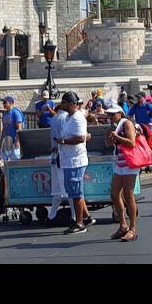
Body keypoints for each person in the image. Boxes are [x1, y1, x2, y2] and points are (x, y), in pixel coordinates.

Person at [54, 91, 92, 234]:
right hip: (69, 159)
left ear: (70, 104)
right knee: (74, 192)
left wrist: (64, 141)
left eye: (64, 103)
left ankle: (79, 222)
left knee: (75, 193)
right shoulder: (69, 117)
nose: (61, 106)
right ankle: (86, 217)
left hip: (75, 160)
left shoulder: (77, 118)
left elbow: (81, 138)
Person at [107, 104, 141, 241]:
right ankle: (123, 225)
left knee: (128, 195)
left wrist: (117, 137)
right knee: (114, 194)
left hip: (130, 163)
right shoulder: (114, 126)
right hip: (120, 163)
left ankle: (133, 229)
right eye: (109, 114)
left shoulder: (127, 123)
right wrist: (110, 138)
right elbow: (109, 144)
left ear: (120, 113)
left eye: (113, 114)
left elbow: (132, 143)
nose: (110, 116)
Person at [0, 95, 25, 161]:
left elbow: (19, 128)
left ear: (11, 103)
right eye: (3, 103)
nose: (4, 104)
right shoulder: (5, 114)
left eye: (5, 102)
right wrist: (1, 141)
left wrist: (17, 141)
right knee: (6, 161)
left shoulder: (15, 113)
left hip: (14, 142)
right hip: (6, 142)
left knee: (16, 160)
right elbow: (4, 128)